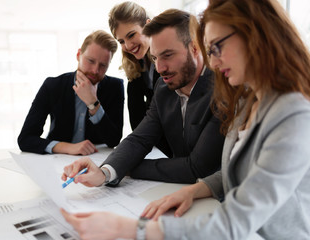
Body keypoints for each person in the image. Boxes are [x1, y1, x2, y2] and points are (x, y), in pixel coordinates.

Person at [61, 0, 310, 239]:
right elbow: (244, 172)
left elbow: (234, 220)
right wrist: (196, 189)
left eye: (216, 48)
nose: (212, 60)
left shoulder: (293, 113)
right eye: (156, 58)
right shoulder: (250, 101)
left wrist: (132, 229)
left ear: (252, 36)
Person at [62, 9, 224, 186]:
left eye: (167, 55)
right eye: (155, 58)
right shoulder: (163, 88)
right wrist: (105, 172)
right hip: (179, 190)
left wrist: (128, 167)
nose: (160, 68)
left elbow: (197, 168)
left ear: (195, 47)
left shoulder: (223, 88)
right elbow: (140, 138)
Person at [18, 30, 124, 155]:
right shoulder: (52, 85)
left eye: (103, 65)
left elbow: (114, 140)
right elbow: (25, 139)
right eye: (90, 61)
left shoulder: (115, 87)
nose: (95, 70)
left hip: (94, 158)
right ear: (78, 55)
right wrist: (68, 147)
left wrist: (92, 103)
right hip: (57, 159)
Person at [108, 1, 172, 157]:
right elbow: (137, 124)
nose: (128, 45)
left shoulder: (170, 59)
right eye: (121, 41)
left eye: (131, 35)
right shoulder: (136, 69)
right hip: (159, 150)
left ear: (148, 26)